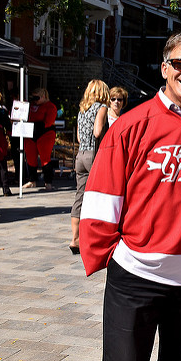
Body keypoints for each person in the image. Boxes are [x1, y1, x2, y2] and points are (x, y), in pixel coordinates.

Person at [79, 31, 181, 361]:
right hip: (135, 274)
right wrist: (109, 255)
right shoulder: (129, 126)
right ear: (164, 68)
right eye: (180, 63)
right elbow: (103, 195)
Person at [69, 79, 110, 255]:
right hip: (93, 155)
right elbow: (98, 131)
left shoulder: (82, 110)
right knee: (98, 195)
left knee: (80, 196)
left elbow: (79, 136)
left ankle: (75, 239)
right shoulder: (101, 108)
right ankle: (95, 236)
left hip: (80, 155)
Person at [22, 88, 57, 191]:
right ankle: (32, 180)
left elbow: (49, 121)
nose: (35, 100)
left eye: (37, 98)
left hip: (45, 133)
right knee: (30, 157)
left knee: (45, 158)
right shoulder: (31, 106)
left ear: (44, 97)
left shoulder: (50, 106)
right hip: (30, 132)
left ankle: (48, 182)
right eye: (34, 98)